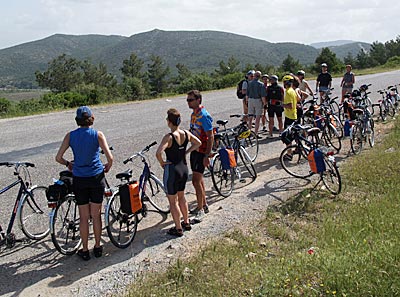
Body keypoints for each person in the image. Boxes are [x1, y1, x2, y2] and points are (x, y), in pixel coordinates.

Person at [55, 106, 113, 261]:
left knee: (83, 216)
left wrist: (69, 164)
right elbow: (110, 158)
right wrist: (107, 166)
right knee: (96, 215)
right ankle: (98, 247)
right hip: (96, 177)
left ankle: (85, 249)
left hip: (79, 179)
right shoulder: (98, 135)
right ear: (91, 119)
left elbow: (58, 157)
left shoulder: (70, 136)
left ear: (77, 120)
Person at [156, 108, 201, 237]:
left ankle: (178, 228)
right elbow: (198, 143)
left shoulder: (169, 137)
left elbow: (158, 153)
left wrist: (162, 163)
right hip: (184, 168)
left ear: (169, 122)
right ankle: (186, 222)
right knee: (181, 197)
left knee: (172, 201)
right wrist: (186, 152)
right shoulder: (186, 133)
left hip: (172, 170)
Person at [186, 90, 214, 222]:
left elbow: (210, 136)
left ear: (198, 100)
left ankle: (200, 209)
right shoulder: (194, 114)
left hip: (201, 151)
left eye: (191, 100)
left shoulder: (203, 115)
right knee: (199, 179)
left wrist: (207, 155)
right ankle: (204, 204)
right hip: (195, 150)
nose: (188, 102)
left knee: (195, 181)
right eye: (188, 100)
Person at [246, 70, 267, 138]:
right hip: (258, 100)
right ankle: (255, 133)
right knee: (257, 118)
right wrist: (264, 104)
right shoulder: (261, 84)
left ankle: (249, 132)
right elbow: (263, 96)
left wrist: (247, 102)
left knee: (250, 118)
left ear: (254, 76)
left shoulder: (249, 83)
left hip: (250, 100)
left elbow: (247, 94)